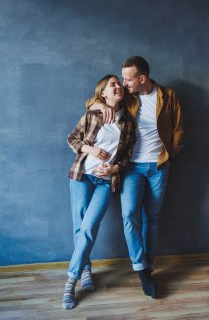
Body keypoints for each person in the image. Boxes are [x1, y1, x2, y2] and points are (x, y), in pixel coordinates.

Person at [87, 56, 183, 299]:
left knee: (152, 218)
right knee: (129, 214)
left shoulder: (168, 96)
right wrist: (101, 106)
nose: (123, 83)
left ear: (142, 78)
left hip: (159, 166)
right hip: (130, 167)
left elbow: (179, 130)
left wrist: (169, 155)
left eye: (128, 79)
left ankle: (148, 266)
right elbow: (92, 101)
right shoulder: (127, 97)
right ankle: (140, 269)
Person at [63, 75, 135, 309]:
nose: (118, 87)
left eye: (118, 83)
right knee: (79, 226)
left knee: (89, 227)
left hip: (106, 182)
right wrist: (90, 149)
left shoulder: (127, 122)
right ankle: (84, 272)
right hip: (82, 177)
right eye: (111, 84)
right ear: (103, 93)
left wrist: (116, 167)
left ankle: (70, 280)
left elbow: (127, 157)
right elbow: (72, 138)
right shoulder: (93, 114)